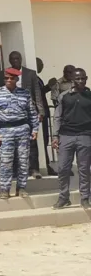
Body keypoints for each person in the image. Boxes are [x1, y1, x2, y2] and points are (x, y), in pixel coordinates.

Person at [0, 68, 40, 200]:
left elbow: (32, 112)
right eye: (6, 78)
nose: (9, 80)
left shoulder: (25, 93)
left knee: (23, 161)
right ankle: (5, 189)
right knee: (6, 161)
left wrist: (35, 129)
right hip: (5, 131)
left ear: (17, 79)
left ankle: (21, 188)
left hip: (22, 129)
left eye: (12, 78)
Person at [0, 51, 46, 179]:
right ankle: (15, 170)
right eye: (13, 59)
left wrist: (40, 111)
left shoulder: (30, 73)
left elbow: (37, 93)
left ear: (21, 59)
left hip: (28, 111)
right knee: (12, 141)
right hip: (10, 114)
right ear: (9, 60)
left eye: (17, 58)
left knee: (32, 141)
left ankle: (34, 169)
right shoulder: (3, 74)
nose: (15, 61)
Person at [52, 68, 91, 210]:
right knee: (63, 168)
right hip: (66, 136)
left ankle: (85, 198)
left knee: (84, 169)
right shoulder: (64, 96)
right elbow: (57, 117)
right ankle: (63, 198)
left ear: (86, 79)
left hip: (85, 136)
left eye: (83, 78)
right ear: (72, 80)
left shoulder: (89, 95)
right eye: (78, 78)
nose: (80, 81)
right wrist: (55, 136)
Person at [36, 58, 56, 176]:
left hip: (44, 113)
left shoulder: (38, 79)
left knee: (45, 139)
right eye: (41, 64)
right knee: (42, 140)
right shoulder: (33, 79)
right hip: (39, 115)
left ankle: (46, 164)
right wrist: (48, 86)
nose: (42, 65)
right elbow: (38, 93)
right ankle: (45, 165)